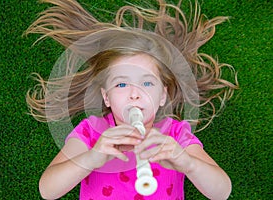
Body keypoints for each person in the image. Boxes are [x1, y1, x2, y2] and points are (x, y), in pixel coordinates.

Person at [25, 0, 239, 199]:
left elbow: (221, 192)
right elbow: (48, 190)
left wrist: (188, 163)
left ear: (163, 95)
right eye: (121, 84)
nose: (135, 94)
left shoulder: (174, 135)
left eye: (147, 83)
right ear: (106, 97)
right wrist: (92, 158)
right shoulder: (92, 131)